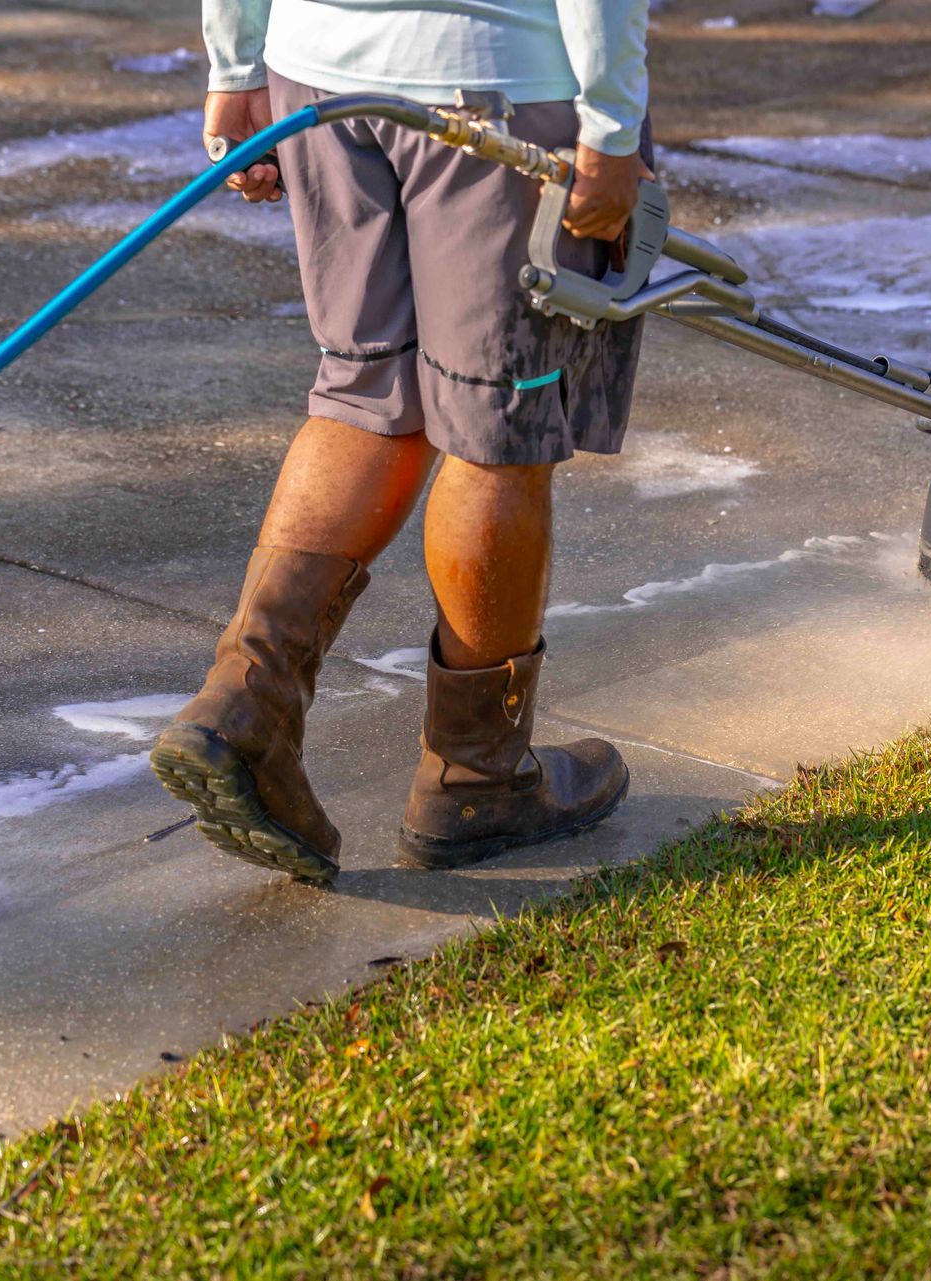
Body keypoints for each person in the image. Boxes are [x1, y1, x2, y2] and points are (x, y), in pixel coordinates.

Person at [150, 0, 653, 884]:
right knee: (498, 419)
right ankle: (478, 775)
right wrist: (611, 127)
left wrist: (237, 65)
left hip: (321, 76)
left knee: (363, 384)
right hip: (494, 79)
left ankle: (245, 704)